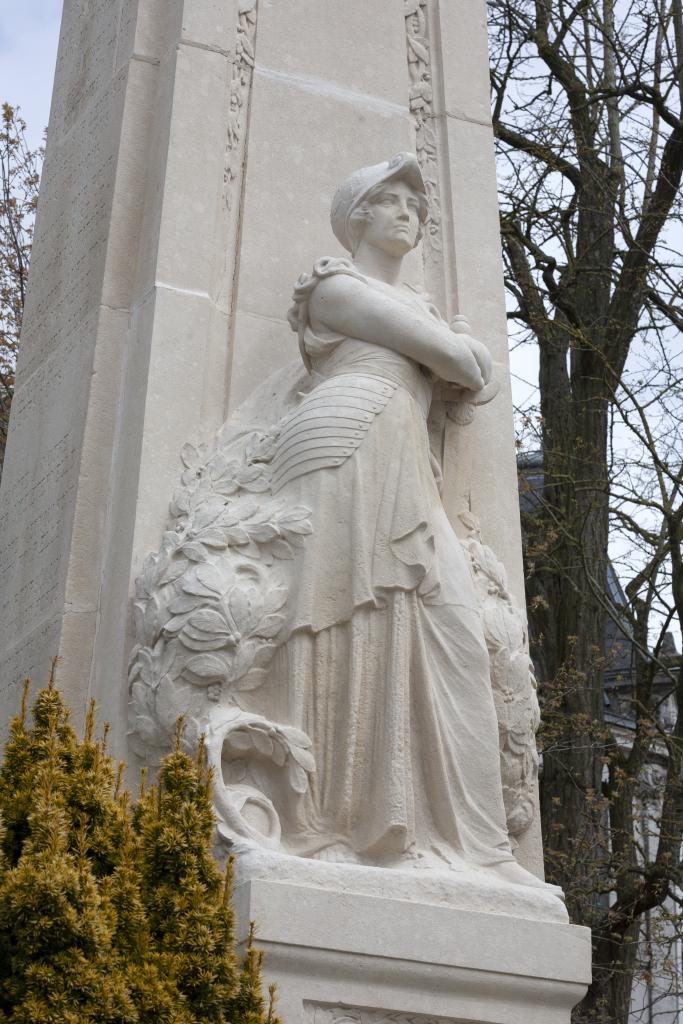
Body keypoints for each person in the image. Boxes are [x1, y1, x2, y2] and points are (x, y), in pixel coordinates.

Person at [244, 153, 545, 889]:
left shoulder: (406, 306)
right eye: (390, 199)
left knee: (451, 634)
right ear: (357, 215)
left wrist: (461, 355)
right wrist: (460, 348)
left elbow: (465, 371)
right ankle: (334, 823)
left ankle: (474, 844)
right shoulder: (333, 286)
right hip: (343, 445)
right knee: (347, 616)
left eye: (416, 201)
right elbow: (457, 362)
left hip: (404, 456)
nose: (408, 211)